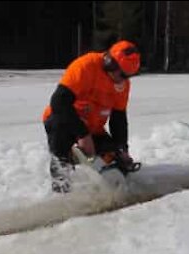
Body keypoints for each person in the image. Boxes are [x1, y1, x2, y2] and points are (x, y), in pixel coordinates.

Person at [42, 40, 141, 193]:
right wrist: (82, 134)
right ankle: (61, 187)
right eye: (121, 74)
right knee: (59, 132)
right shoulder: (85, 66)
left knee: (118, 164)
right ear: (110, 63)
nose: (123, 80)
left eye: (127, 76)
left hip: (93, 128)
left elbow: (118, 118)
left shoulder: (122, 84)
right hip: (66, 121)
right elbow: (59, 102)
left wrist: (122, 148)